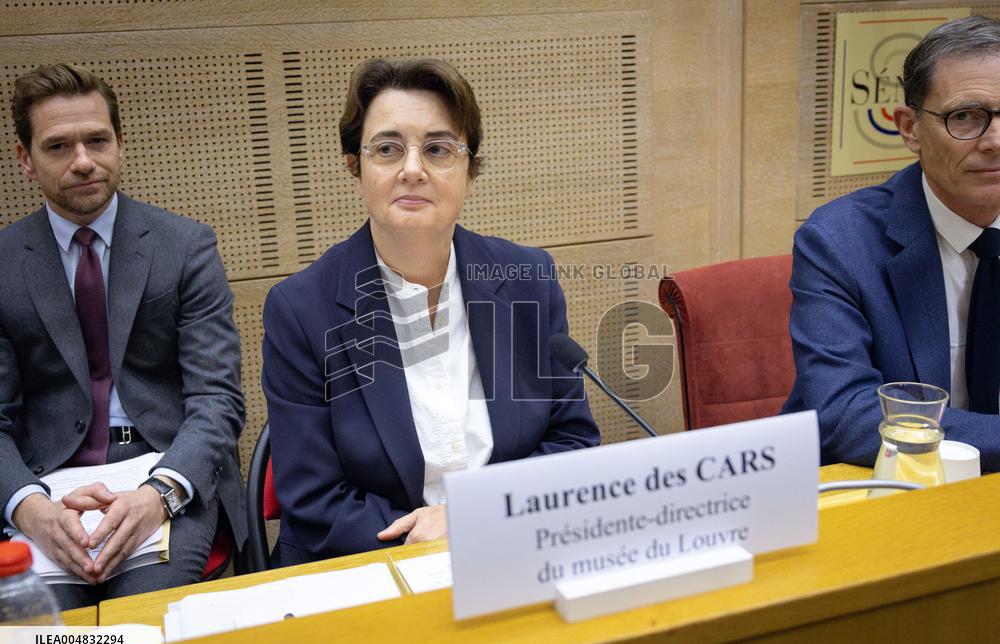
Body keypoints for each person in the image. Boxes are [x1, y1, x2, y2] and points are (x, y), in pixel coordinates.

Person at [262, 58, 600, 565]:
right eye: (388, 149)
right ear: (356, 170)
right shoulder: (301, 310)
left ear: (470, 171)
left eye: (438, 149)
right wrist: (434, 546)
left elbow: (572, 445)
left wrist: (475, 519)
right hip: (370, 566)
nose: (413, 169)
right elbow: (314, 502)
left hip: (512, 548)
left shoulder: (528, 278)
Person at [0, 64, 245, 609]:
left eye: (97, 140)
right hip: (49, 488)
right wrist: (30, 509)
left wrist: (159, 494)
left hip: (159, 471)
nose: (83, 160)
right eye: (58, 146)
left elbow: (218, 400)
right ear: (25, 159)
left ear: (120, 144)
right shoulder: (2, 266)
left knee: (134, 634)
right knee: (44, 640)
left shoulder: (185, 246)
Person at [783, 15, 1000, 473]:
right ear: (909, 128)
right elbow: (849, 416)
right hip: (880, 490)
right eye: (966, 117)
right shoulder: (838, 242)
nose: (995, 141)